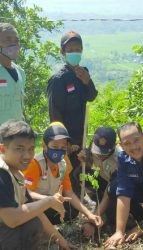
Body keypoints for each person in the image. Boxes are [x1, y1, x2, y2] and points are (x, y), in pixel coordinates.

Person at [0, 120, 76, 250]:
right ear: (2, 149)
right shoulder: (2, 174)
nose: (27, 155)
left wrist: (62, 242)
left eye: (31, 149)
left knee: (33, 222)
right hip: (7, 226)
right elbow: (12, 219)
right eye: (19, 149)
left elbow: (35, 210)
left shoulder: (16, 172)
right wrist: (49, 201)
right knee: (29, 226)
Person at [23, 122, 103, 237]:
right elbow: (27, 193)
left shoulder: (63, 164)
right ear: (44, 146)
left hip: (51, 203)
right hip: (36, 205)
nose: (59, 151)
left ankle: (47, 227)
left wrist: (88, 214)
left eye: (63, 148)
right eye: (55, 147)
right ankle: (44, 230)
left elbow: (68, 192)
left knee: (71, 211)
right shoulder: (35, 164)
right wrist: (49, 200)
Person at [47, 31, 98, 197]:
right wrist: (63, 140)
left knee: (80, 169)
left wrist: (86, 81)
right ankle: (66, 207)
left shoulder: (83, 72)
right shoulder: (58, 79)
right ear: (63, 52)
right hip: (67, 138)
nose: (75, 52)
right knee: (66, 171)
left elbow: (91, 96)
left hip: (81, 134)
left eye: (78, 49)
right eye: (70, 49)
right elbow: (55, 113)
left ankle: (77, 204)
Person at [78, 127, 119, 237]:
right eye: (98, 152)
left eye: (104, 153)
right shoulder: (92, 149)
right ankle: (95, 202)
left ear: (114, 146)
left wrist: (92, 221)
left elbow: (108, 193)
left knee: (111, 211)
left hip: (116, 188)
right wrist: (84, 161)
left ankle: (104, 215)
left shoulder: (118, 160)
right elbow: (88, 165)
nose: (100, 156)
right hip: (102, 180)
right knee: (79, 174)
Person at [0, 23, 25, 124]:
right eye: (8, 39)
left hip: (16, 135)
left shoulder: (21, 72)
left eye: (16, 40)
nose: (13, 44)